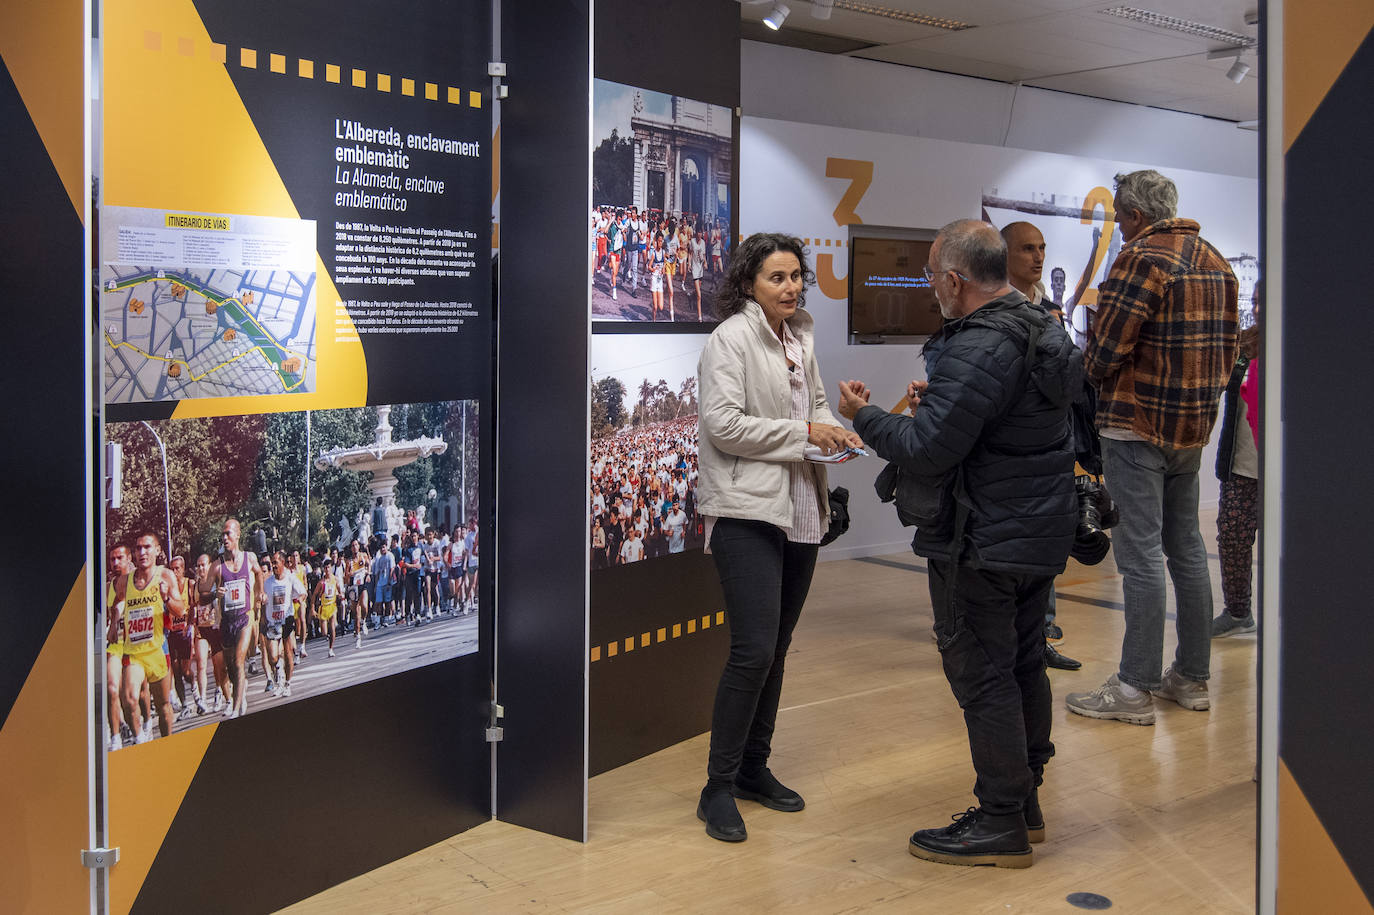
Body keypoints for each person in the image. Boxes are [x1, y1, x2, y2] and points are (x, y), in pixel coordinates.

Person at [837, 219, 1079, 868]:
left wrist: (865, 417)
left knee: (983, 672)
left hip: (983, 538)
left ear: (953, 279)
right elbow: (1006, 424)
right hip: (1033, 533)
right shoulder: (1043, 328)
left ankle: (1001, 816)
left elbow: (927, 447)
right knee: (1025, 662)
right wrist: (942, 400)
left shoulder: (977, 346)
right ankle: (1025, 802)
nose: (929, 289)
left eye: (930, 277)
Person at [694, 231, 862, 843]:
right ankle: (716, 786)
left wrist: (839, 428)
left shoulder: (800, 337)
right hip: (746, 509)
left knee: (779, 646)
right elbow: (723, 425)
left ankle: (753, 770)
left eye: (796, 276)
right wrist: (805, 436)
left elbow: (814, 406)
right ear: (748, 284)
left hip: (801, 506)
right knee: (753, 649)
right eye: (777, 277)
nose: (791, 286)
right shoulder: (730, 339)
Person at [1066, 169, 1239, 725]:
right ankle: (1191, 678)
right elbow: (1231, 348)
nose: (1118, 226)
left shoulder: (1142, 258)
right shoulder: (1215, 259)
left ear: (1135, 216)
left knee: (1139, 559)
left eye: (1118, 215)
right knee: (1186, 550)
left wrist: (1091, 371)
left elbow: (1105, 349)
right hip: (1192, 430)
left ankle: (1134, 688)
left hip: (1135, 426)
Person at [1001, 220, 1081, 673]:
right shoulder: (989, 310)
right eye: (1027, 249)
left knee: (1042, 540)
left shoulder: (1051, 311)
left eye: (1042, 248)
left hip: (1047, 448)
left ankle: (1040, 634)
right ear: (1004, 255)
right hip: (1008, 451)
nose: (1038, 257)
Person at [1212, 302, 1260, 636]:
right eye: (1255, 300)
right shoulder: (1244, 344)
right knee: (1231, 538)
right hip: (1242, 467)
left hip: (1283, 473)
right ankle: (1239, 612)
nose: (1258, 306)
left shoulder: (1301, 343)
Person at [114, 533, 187, 742]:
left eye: (147, 547)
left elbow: (180, 610)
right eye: (138, 548)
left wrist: (166, 598)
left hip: (157, 650)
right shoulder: (124, 582)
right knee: (128, 700)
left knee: (164, 707)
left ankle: (167, 744)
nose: (142, 552)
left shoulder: (165, 576)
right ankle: (140, 740)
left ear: (157, 550)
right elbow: (116, 603)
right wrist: (113, 624)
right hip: (134, 653)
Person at [215, 518, 259, 719]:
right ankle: (239, 692)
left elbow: (259, 574)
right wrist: (216, 593)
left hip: (244, 618)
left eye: (228, 534)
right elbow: (203, 591)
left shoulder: (249, 558)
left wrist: (259, 594)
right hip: (227, 622)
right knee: (231, 666)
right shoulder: (218, 565)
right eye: (223, 534)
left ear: (238, 535)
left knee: (240, 661)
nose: (224, 538)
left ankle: (236, 708)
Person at [262, 551, 305, 696]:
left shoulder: (290, 578)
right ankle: (279, 671)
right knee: (273, 656)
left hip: (287, 619)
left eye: (275, 563)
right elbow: (262, 598)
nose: (273, 566)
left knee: (288, 653)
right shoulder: (267, 582)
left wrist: (300, 599)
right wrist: (260, 599)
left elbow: (303, 592)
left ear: (282, 563)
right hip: (273, 622)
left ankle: (287, 683)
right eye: (272, 563)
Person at [105, 544, 133, 749]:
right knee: (112, 687)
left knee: (132, 695)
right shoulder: (107, 587)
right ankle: (115, 736)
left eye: (119, 558)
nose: (115, 563)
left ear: (128, 559)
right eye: (112, 559)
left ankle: (136, 727)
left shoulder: (138, 582)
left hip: (137, 644)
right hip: (116, 644)